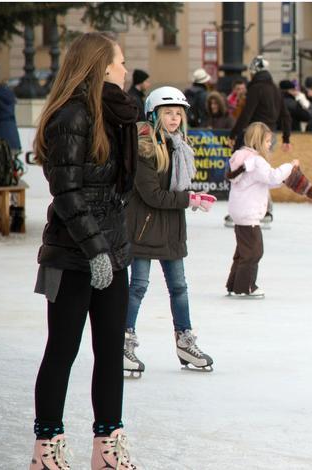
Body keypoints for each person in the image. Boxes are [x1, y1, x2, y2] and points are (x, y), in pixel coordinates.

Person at [31, 32, 140, 469]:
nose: (125, 68)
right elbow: (67, 192)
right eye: (120, 60)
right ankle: (47, 446)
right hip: (70, 256)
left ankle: (107, 443)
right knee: (63, 349)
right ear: (100, 66)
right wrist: (95, 250)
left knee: (111, 350)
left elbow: (115, 189)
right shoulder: (70, 116)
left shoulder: (113, 116)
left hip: (112, 253)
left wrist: (110, 252)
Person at [123, 86, 217, 377]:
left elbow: (176, 190)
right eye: (168, 113)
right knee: (137, 287)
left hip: (172, 229)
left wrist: (193, 196)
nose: (174, 118)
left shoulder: (179, 146)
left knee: (179, 288)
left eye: (178, 113)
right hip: (143, 229)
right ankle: (122, 342)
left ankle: (184, 342)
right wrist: (188, 199)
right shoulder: (145, 148)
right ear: (154, 114)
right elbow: (152, 195)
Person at [225, 122, 297, 298]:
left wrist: (283, 182)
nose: (268, 146)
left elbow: (263, 181)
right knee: (254, 251)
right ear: (257, 141)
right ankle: (246, 286)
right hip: (249, 213)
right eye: (267, 142)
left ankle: (234, 284)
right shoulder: (256, 160)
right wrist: (290, 167)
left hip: (239, 211)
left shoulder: (241, 156)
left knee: (243, 251)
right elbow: (272, 176)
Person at [227, 55, 292, 228]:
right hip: (270, 137)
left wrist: (233, 135)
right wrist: (286, 138)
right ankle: (264, 210)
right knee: (262, 172)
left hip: (256, 136)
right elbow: (285, 114)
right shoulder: (275, 89)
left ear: (254, 71)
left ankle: (258, 210)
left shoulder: (256, 88)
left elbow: (246, 114)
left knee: (248, 173)